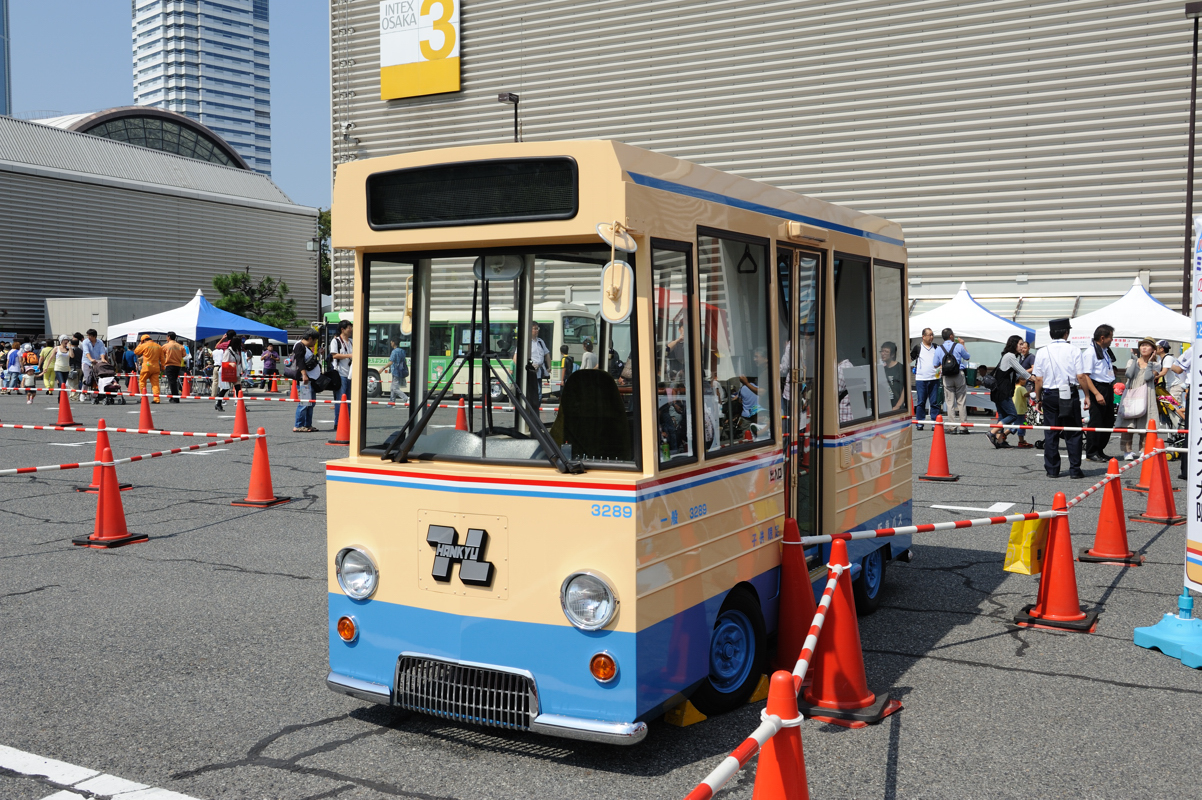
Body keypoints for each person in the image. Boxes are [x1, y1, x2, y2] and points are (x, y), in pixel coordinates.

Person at [1032, 318, 1089, 478]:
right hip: (1068, 393)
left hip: (1049, 394)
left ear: (1051, 334)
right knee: (1073, 432)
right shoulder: (1075, 350)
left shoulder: (1042, 351)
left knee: (1051, 432)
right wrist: (1087, 395)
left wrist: (1038, 398)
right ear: (1066, 332)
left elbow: (1038, 379)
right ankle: (1075, 470)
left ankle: (1052, 470)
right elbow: (1081, 376)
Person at [1117, 338, 1159, 460]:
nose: (1144, 348)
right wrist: (1136, 361)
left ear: (1153, 350)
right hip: (1131, 392)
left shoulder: (1156, 364)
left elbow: (1148, 376)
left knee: (1145, 422)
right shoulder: (1132, 361)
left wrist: (1150, 363)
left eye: (1147, 346)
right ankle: (1127, 451)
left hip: (1147, 393)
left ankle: (1144, 449)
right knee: (1128, 423)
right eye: (1142, 345)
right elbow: (1129, 375)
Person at [1080, 324, 1116, 462]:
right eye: (1110, 337)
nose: (1111, 340)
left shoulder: (1103, 350)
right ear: (1102, 338)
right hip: (1098, 387)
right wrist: (1096, 393)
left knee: (1107, 421)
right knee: (1096, 421)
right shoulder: (1090, 352)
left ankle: (1100, 450)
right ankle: (1091, 451)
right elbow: (1086, 375)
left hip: (1107, 387)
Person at [989, 335, 1031, 448]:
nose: (1022, 346)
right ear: (1014, 344)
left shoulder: (1007, 356)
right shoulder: (1010, 356)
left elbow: (1017, 374)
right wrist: (1034, 378)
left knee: (1002, 416)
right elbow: (1023, 372)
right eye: (1020, 344)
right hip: (1003, 391)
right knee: (1013, 415)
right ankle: (992, 433)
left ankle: (1000, 441)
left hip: (998, 390)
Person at [938, 328, 971, 434]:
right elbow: (967, 357)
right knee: (961, 401)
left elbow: (935, 363)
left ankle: (952, 426)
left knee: (949, 402)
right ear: (951, 336)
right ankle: (963, 427)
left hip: (947, 376)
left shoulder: (939, 348)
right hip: (958, 374)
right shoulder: (958, 346)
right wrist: (962, 344)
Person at [293, 331, 321, 432]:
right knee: (304, 403)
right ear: (310, 338)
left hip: (310, 380)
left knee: (310, 403)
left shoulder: (306, 348)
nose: (315, 342)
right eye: (315, 340)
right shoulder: (299, 346)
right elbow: (300, 361)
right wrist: (304, 374)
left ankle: (307, 424)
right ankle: (298, 425)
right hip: (304, 380)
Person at [913, 327, 940, 430]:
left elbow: (941, 360)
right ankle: (920, 422)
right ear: (923, 337)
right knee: (921, 401)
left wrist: (940, 367)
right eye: (930, 335)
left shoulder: (937, 347)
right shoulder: (917, 347)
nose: (931, 337)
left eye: (932, 335)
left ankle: (935, 422)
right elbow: (910, 358)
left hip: (934, 378)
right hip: (921, 379)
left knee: (934, 402)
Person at [330, 320, 353, 431]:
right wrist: (349, 355)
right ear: (343, 329)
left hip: (351, 374)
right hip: (340, 373)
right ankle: (338, 423)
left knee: (349, 400)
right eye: (349, 327)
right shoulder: (336, 341)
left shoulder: (352, 341)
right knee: (340, 399)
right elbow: (334, 355)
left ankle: (348, 422)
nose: (351, 329)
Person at [214, 335, 242, 412]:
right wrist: (230, 364)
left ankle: (241, 405)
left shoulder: (236, 351)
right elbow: (224, 362)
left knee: (238, 388)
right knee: (225, 389)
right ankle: (218, 403)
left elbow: (238, 361)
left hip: (235, 372)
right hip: (227, 372)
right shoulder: (228, 351)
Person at [527, 322, 551, 410]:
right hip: (531, 371)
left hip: (540, 371)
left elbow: (547, 354)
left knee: (539, 393)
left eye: (538, 329)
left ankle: (536, 409)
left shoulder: (540, 341)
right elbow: (516, 357)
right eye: (535, 329)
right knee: (535, 393)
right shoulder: (527, 342)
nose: (537, 331)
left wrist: (549, 367)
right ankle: (533, 410)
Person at [879, 341, 908, 413]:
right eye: (882, 351)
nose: (883, 354)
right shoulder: (882, 369)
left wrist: (898, 406)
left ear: (892, 354)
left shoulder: (900, 368)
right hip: (885, 408)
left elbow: (906, 388)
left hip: (897, 408)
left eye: (886, 352)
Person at [134, 334, 163, 403]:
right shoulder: (158, 346)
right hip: (156, 367)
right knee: (155, 384)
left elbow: (136, 351)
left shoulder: (144, 345)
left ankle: (143, 397)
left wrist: (140, 344)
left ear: (143, 340)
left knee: (142, 382)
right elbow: (162, 358)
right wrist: (163, 367)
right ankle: (156, 399)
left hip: (146, 367)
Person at [161, 331, 186, 402]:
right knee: (174, 381)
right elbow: (184, 355)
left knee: (172, 381)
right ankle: (174, 396)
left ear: (169, 337)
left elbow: (161, 353)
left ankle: (175, 397)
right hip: (178, 365)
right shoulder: (180, 346)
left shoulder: (166, 345)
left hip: (169, 364)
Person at [384, 338, 408, 407]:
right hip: (400, 371)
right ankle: (392, 402)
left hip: (395, 371)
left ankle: (406, 399)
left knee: (395, 388)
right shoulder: (402, 351)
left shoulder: (394, 352)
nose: (390, 343)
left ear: (394, 343)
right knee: (392, 387)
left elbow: (391, 361)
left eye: (391, 342)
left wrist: (383, 368)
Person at [81, 329, 106, 394]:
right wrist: (91, 359)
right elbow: (86, 351)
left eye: (90, 336)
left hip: (96, 362)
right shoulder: (85, 342)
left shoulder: (100, 342)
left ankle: (94, 394)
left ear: (95, 336)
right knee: (87, 379)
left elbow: (102, 351)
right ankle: (83, 393)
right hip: (86, 362)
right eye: (88, 335)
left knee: (96, 378)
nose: (88, 337)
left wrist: (103, 358)